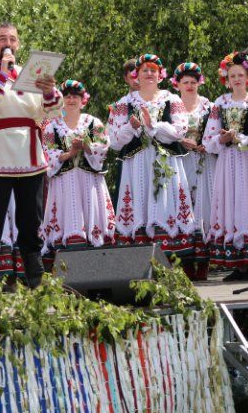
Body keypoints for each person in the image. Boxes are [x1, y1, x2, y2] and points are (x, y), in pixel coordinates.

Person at [0, 22, 63, 287]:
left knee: (31, 218)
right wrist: (2, 75)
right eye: (1, 39)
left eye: (13, 39)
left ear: (18, 44)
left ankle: (36, 279)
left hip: (29, 154)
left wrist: (48, 90)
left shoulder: (31, 75)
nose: (7, 43)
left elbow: (53, 111)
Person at [107, 54, 196, 261]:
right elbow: (114, 141)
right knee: (139, 201)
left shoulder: (171, 99)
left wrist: (152, 126)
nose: (149, 74)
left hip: (165, 161)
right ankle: (140, 259)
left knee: (164, 202)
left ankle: (169, 258)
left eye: (153, 70)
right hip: (137, 162)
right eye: (144, 70)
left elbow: (180, 130)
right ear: (136, 75)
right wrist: (131, 127)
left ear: (160, 75)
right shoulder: (124, 102)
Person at [202, 52, 248, 281]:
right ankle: (239, 264)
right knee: (231, 204)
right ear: (226, 79)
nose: (237, 79)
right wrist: (223, 139)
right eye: (232, 75)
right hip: (228, 162)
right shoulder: (221, 103)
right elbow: (208, 140)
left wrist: (239, 138)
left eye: (241, 75)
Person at [40, 79, 115, 252]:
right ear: (61, 100)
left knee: (91, 217)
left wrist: (86, 147)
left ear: (83, 100)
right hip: (64, 182)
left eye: (75, 96)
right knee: (67, 216)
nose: (71, 100)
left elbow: (103, 146)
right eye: (66, 96)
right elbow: (48, 154)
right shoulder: (52, 126)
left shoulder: (93, 122)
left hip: (89, 181)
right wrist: (70, 153)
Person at [172, 62, 213, 279]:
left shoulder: (209, 106)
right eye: (185, 82)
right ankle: (186, 263)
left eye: (193, 82)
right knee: (183, 206)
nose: (189, 85)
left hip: (204, 160)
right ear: (177, 84)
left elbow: (216, 129)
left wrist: (208, 143)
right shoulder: (171, 105)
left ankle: (204, 263)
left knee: (204, 206)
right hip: (180, 161)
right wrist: (180, 141)